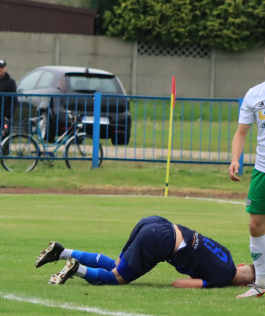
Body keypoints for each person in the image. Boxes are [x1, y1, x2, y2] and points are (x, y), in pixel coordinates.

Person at [36, 215, 254, 293]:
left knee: (116, 265)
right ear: (244, 284)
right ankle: (77, 269)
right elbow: (178, 283)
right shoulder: (222, 278)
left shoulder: (227, 255)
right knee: (117, 278)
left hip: (156, 222)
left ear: (243, 264)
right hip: (160, 241)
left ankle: (62, 252)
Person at [228, 72, 265, 296]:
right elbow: (241, 132)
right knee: (255, 225)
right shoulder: (254, 94)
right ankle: (261, 284)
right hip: (262, 170)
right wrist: (235, 159)